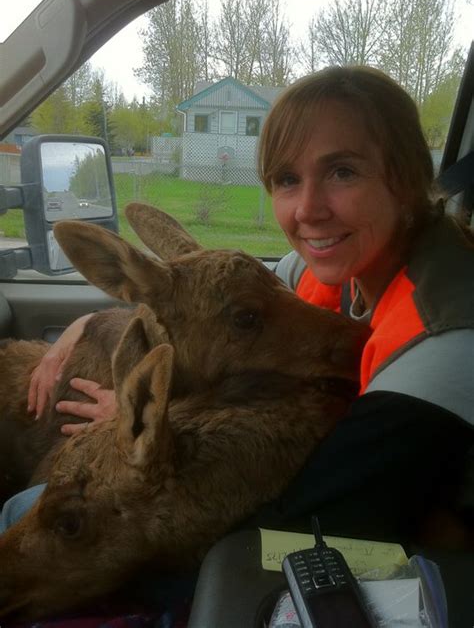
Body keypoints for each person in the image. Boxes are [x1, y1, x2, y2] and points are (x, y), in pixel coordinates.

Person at [4, 66, 474, 547]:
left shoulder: (445, 346)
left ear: (408, 177)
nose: (308, 210)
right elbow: (209, 311)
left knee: (25, 514)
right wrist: (88, 323)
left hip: (336, 550)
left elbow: (301, 533)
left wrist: (139, 436)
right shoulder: (338, 263)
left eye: (343, 171)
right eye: (288, 179)